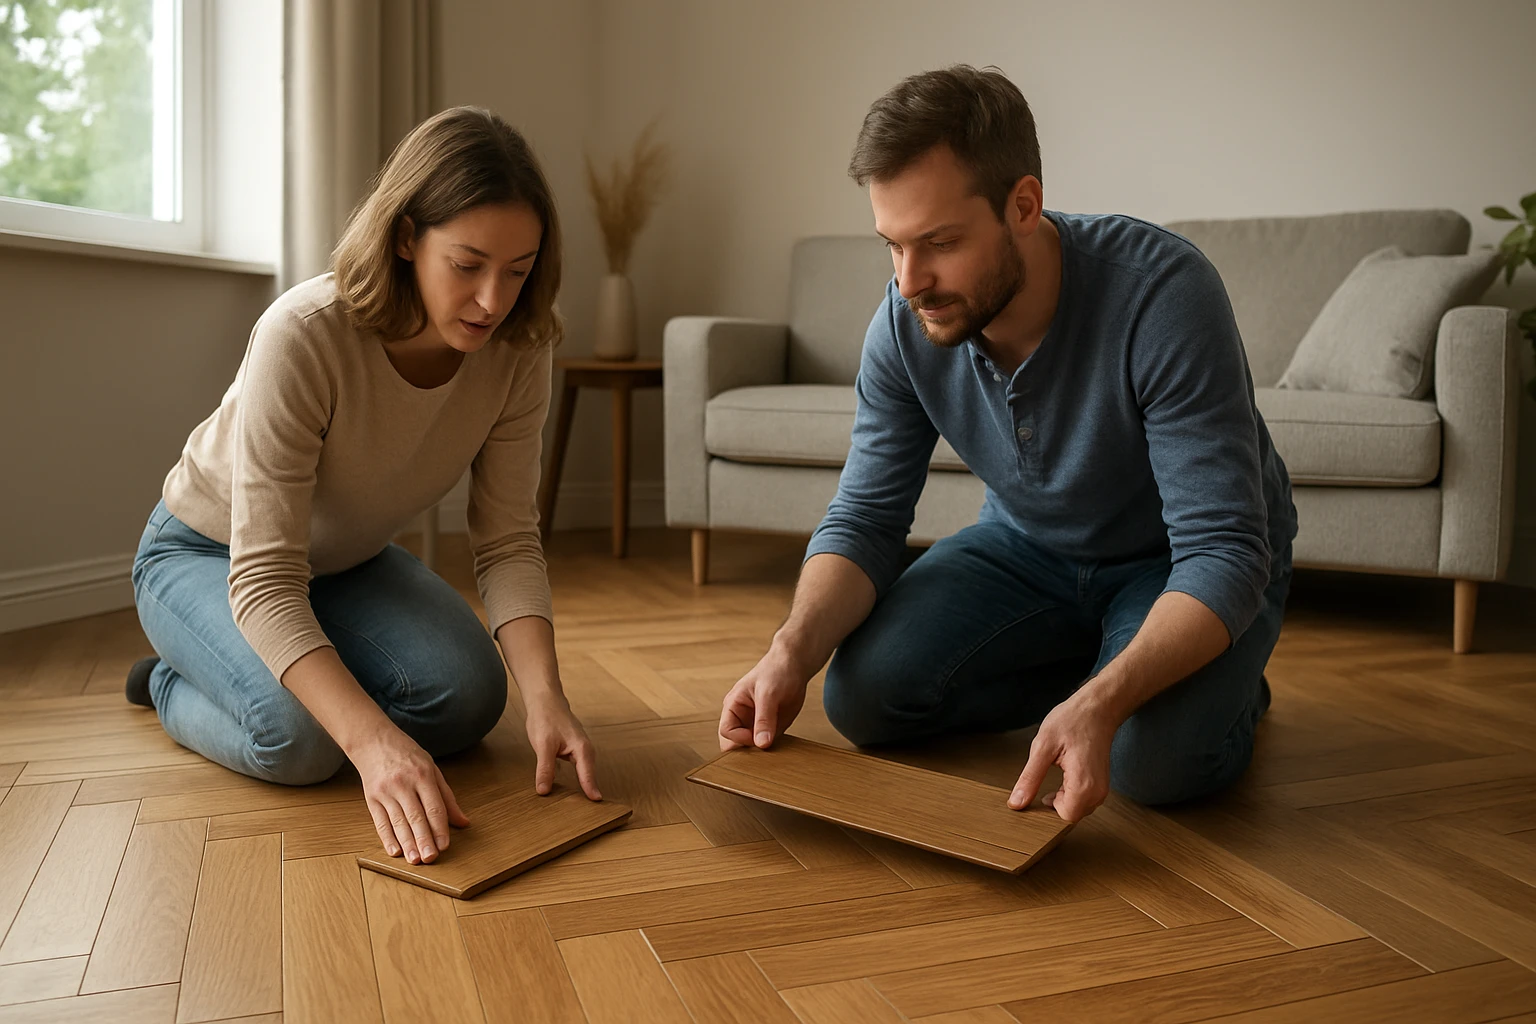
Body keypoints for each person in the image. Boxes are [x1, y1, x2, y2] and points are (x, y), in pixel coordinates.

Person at [717, 66, 1296, 823]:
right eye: (891, 245)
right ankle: (1097, 668)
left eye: (939, 243)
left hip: (1182, 564)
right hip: (1027, 548)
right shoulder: (904, 319)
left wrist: (1107, 702)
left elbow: (1223, 548)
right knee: (859, 697)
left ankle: (1227, 686)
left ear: (1023, 205)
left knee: (1152, 763)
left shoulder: (1164, 295)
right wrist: (788, 650)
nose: (910, 280)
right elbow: (863, 519)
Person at [129, 106, 601, 867]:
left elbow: (509, 539)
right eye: (468, 264)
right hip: (208, 556)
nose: (493, 300)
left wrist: (546, 700)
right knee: (301, 740)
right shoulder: (304, 334)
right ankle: (176, 680)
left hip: (342, 563)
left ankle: (274, 675)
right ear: (408, 236)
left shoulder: (518, 347)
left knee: (472, 698)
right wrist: (374, 744)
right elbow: (266, 577)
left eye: (518, 271)